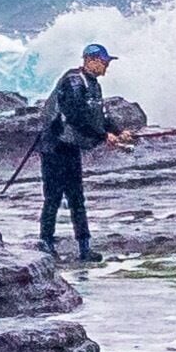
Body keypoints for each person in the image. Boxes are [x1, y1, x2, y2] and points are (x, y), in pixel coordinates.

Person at [38, 43, 134, 263]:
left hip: (71, 148)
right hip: (54, 147)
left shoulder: (94, 85)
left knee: (77, 198)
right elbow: (76, 116)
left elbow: (100, 115)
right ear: (90, 60)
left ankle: (84, 248)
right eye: (104, 62)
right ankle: (46, 244)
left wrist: (118, 131)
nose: (106, 67)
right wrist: (103, 136)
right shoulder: (73, 82)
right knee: (53, 197)